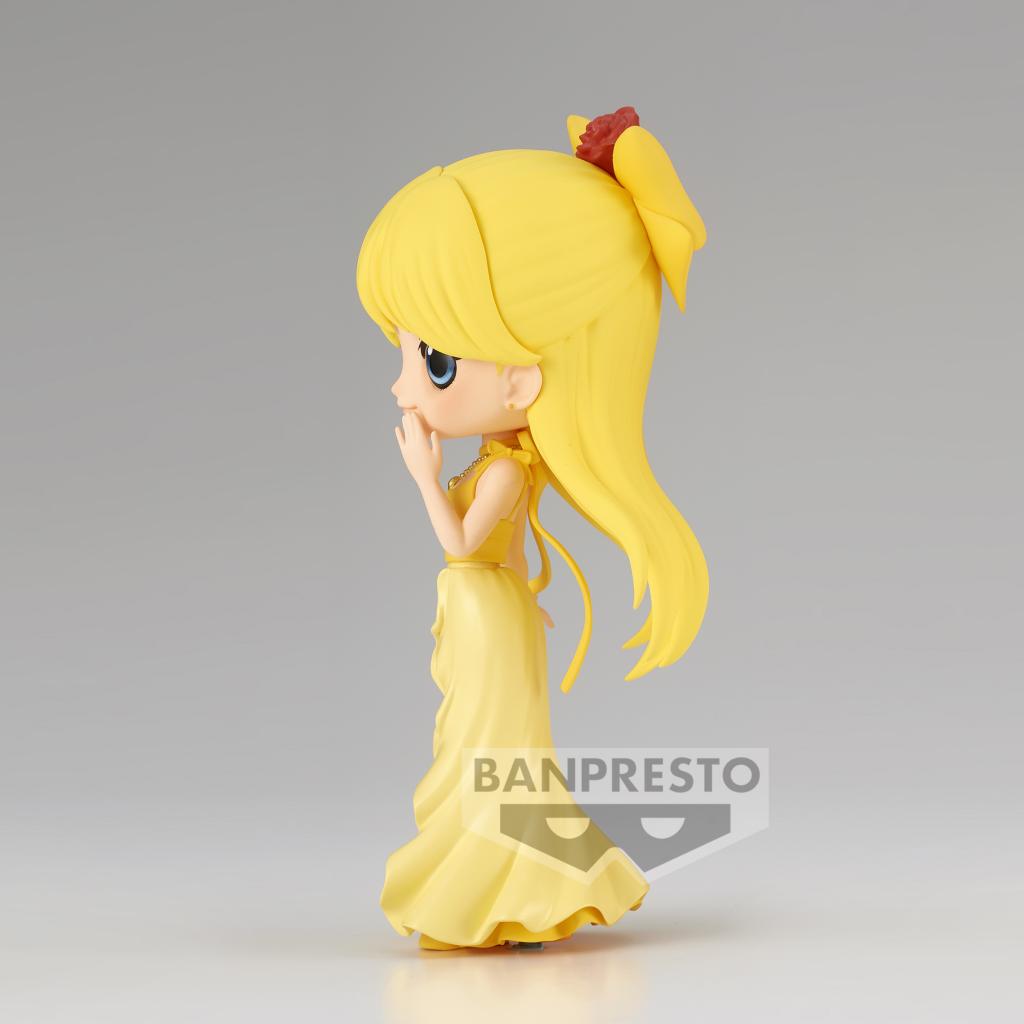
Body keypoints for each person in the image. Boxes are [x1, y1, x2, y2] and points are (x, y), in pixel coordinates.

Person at [355, 106, 709, 951]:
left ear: (521, 380)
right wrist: (519, 595)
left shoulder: (507, 470)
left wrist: (424, 477)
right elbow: (497, 553)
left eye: (435, 361)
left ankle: (503, 893)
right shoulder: (504, 460)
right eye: (407, 352)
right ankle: (506, 891)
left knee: (490, 756)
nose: (405, 386)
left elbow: (460, 545)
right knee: (489, 752)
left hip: (488, 615)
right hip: (491, 616)